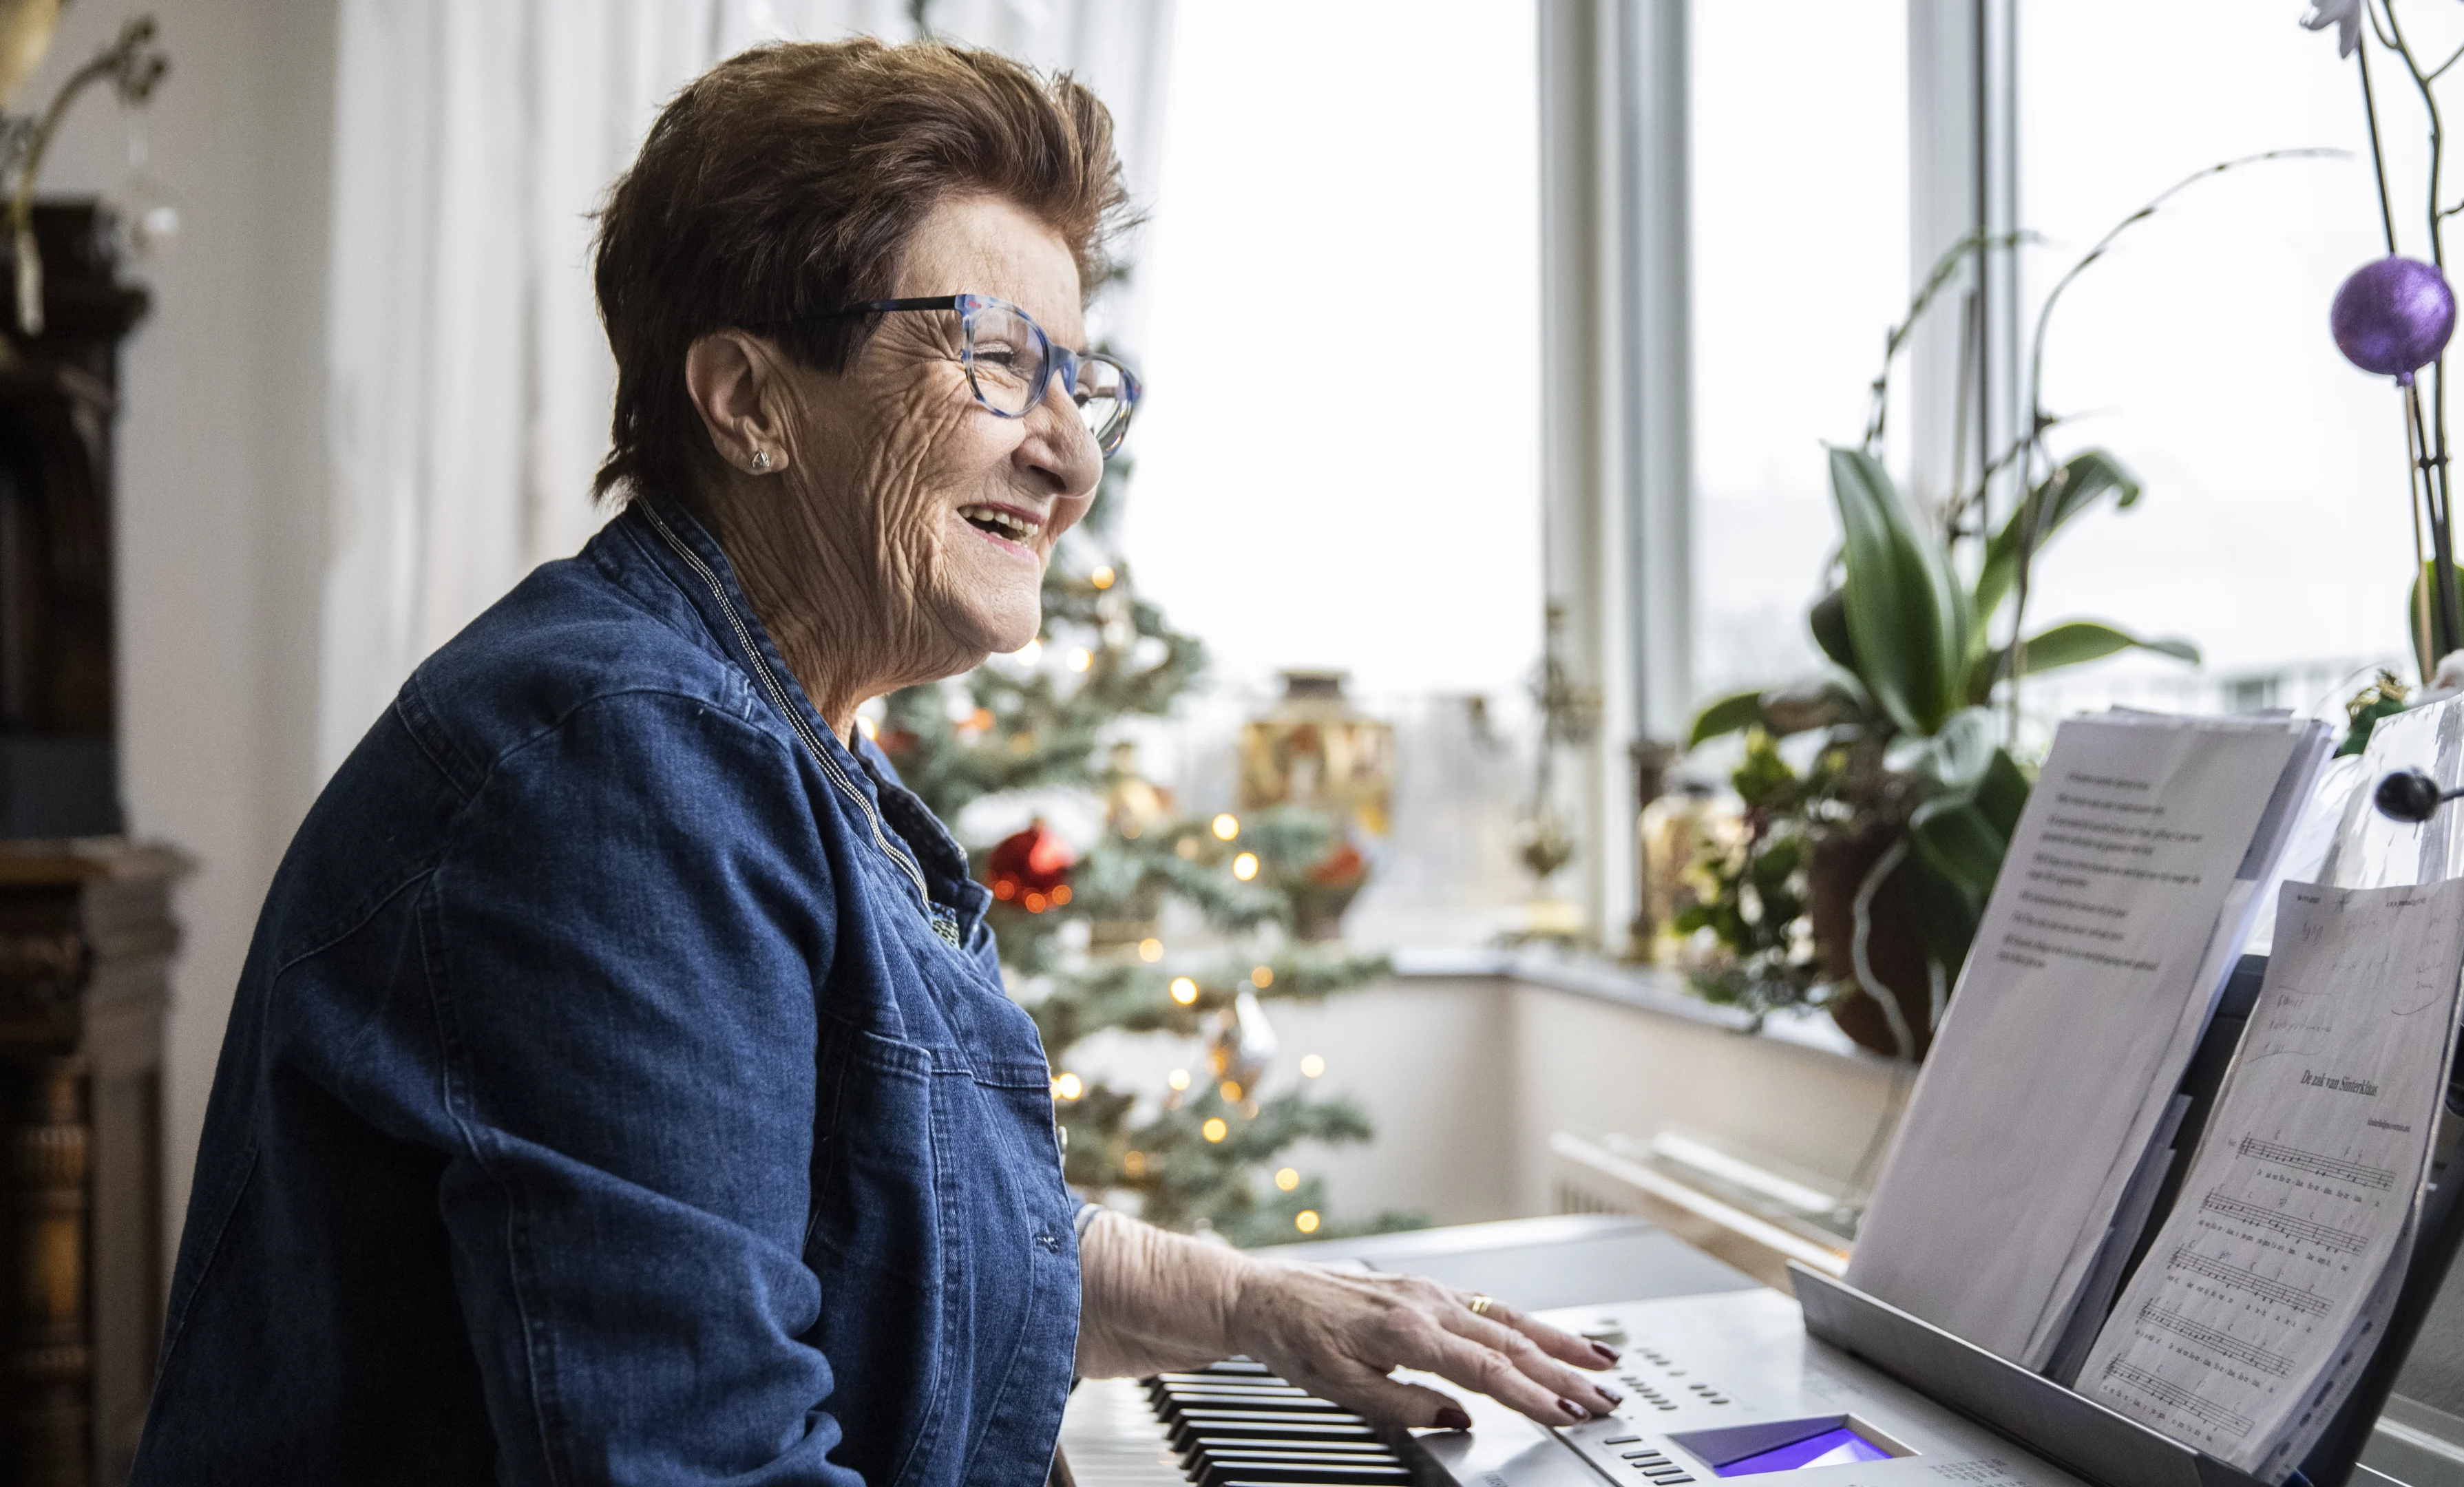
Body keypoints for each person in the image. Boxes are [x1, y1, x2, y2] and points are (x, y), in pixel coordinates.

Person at [129, 37, 1620, 1486]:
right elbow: (698, 1459)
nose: (1073, 454)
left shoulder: (764, 737)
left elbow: (892, 1242)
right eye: (994, 361)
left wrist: (1245, 1305)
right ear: (753, 401)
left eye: (1080, 381)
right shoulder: (617, 766)